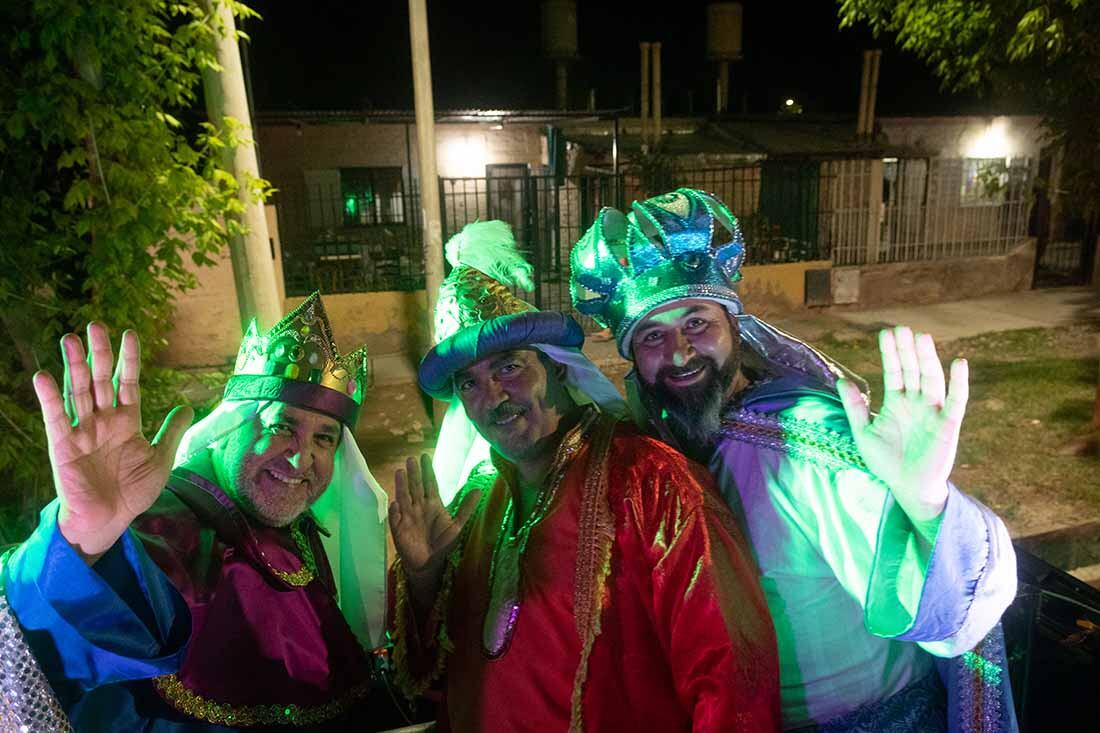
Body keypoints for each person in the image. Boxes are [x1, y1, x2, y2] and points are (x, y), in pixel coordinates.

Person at [569, 188, 1019, 732]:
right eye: (652, 337)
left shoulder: (802, 442)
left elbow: (951, 618)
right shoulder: (658, 451)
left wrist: (925, 505)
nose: (680, 353)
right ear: (632, 359)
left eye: (697, 323)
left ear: (735, 326)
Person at [388, 220, 781, 731]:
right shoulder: (478, 502)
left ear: (557, 368)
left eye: (509, 367)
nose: (494, 397)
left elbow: (731, 678)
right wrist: (424, 580)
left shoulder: (650, 482)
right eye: (470, 382)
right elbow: (430, 678)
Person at [1, 293, 391, 731]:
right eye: (282, 426)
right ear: (231, 427)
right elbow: (27, 649)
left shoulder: (299, 528)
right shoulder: (159, 527)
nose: (302, 460)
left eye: (325, 438)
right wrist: (76, 539)